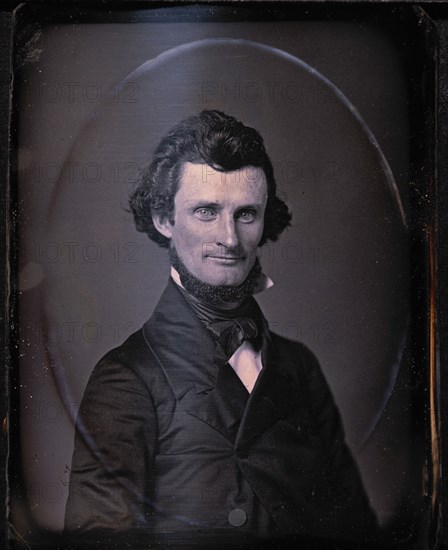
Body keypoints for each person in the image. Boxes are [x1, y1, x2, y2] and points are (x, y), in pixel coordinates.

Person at [64, 110, 377, 547]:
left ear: (266, 222)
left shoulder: (299, 367)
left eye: (246, 214)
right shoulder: (126, 379)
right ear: (164, 220)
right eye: (206, 211)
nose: (229, 239)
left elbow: (356, 527)